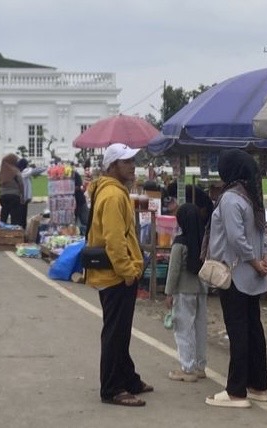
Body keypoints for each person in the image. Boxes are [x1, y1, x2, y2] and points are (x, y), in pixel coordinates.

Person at [205, 149, 267, 409]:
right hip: (253, 274)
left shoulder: (231, 198)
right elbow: (262, 233)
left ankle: (236, 391)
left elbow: (235, 238)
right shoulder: (252, 196)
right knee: (254, 329)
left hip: (235, 273)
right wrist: (263, 260)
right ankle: (258, 385)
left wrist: (254, 260)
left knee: (238, 331)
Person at [86, 143, 150, 407]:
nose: (132, 165)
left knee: (120, 330)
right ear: (113, 167)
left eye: (133, 160)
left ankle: (128, 377)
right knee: (116, 332)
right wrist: (127, 271)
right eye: (126, 162)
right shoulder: (113, 196)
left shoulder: (112, 191)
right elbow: (114, 240)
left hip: (115, 273)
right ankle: (112, 387)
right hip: (116, 275)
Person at [165, 202, 208, 382]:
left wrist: (168, 293)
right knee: (199, 328)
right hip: (202, 290)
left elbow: (173, 271)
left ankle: (187, 368)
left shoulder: (180, 243)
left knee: (183, 328)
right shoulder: (203, 242)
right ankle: (199, 366)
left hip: (184, 290)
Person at [0, 153, 23, 225]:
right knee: (15, 217)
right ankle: (14, 233)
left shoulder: (2, 172)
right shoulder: (16, 171)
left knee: (4, 215)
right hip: (14, 196)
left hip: (3, 196)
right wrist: (22, 195)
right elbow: (21, 184)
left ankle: (2, 232)